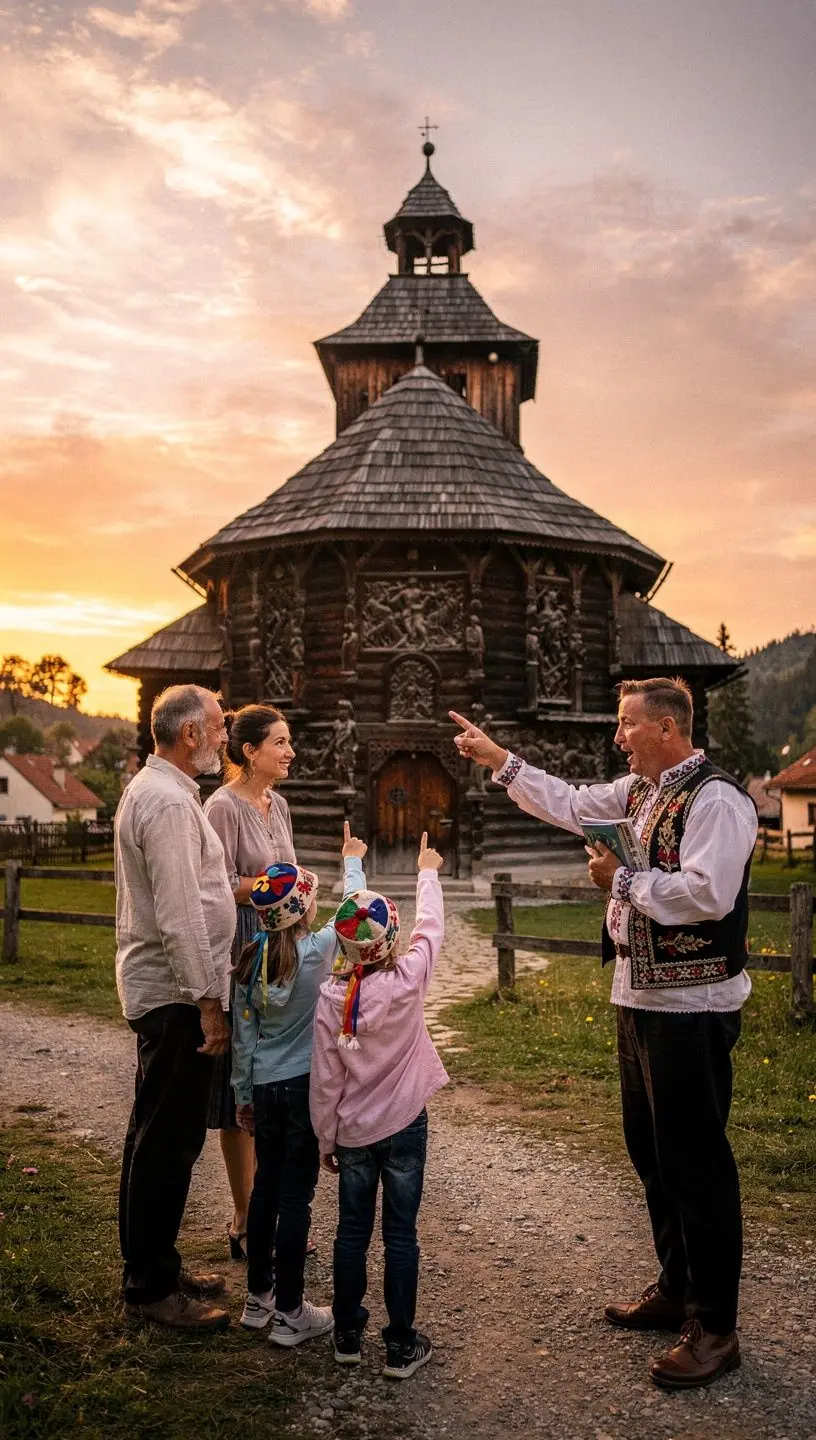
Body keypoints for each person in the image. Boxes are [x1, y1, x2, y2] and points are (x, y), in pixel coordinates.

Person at [451, 677, 757, 1392]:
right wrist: (500, 758)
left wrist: (623, 883)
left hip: (692, 1003)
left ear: (666, 729)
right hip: (638, 995)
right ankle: (677, 1288)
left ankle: (716, 1328)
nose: (617, 736)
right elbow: (568, 801)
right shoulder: (640, 793)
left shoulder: (716, 799)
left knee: (697, 1164)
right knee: (651, 1153)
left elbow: (708, 893)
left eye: (626, 724)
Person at [115, 684, 235, 1331]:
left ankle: (154, 1262)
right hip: (174, 996)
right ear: (190, 733)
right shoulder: (163, 802)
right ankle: (151, 1291)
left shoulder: (166, 791)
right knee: (166, 1142)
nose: (224, 735)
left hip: (169, 992)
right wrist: (208, 1002)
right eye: (218, 726)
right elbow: (180, 915)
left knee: (154, 1135)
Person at [310, 831, 447, 1381]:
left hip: (354, 1136)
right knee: (400, 1236)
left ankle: (346, 1336)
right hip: (406, 1126)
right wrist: (427, 871)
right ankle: (399, 1346)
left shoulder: (331, 999)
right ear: (391, 941)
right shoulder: (410, 979)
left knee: (350, 1233)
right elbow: (429, 928)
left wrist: (325, 1140)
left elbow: (325, 1082)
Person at [232, 822, 368, 1345]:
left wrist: (244, 1096)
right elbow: (354, 909)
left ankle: (258, 1296)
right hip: (302, 1090)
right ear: (303, 910)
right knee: (297, 1200)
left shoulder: (249, 960)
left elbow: (244, 1041)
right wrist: (351, 859)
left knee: (264, 1189)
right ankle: (292, 1311)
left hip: (263, 1090)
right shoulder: (314, 954)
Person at [203, 704, 297, 1263]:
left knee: (275, 1080)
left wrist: (296, 886)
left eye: (289, 742)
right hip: (241, 951)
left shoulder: (277, 803)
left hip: (281, 950)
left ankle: (273, 1210)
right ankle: (244, 1216)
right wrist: (271, 886)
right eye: (280, 743)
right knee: (241, 1086)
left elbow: (285, 868)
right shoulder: (221, 807)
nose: (290, 752)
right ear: (249, 751)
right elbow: (215, 885)